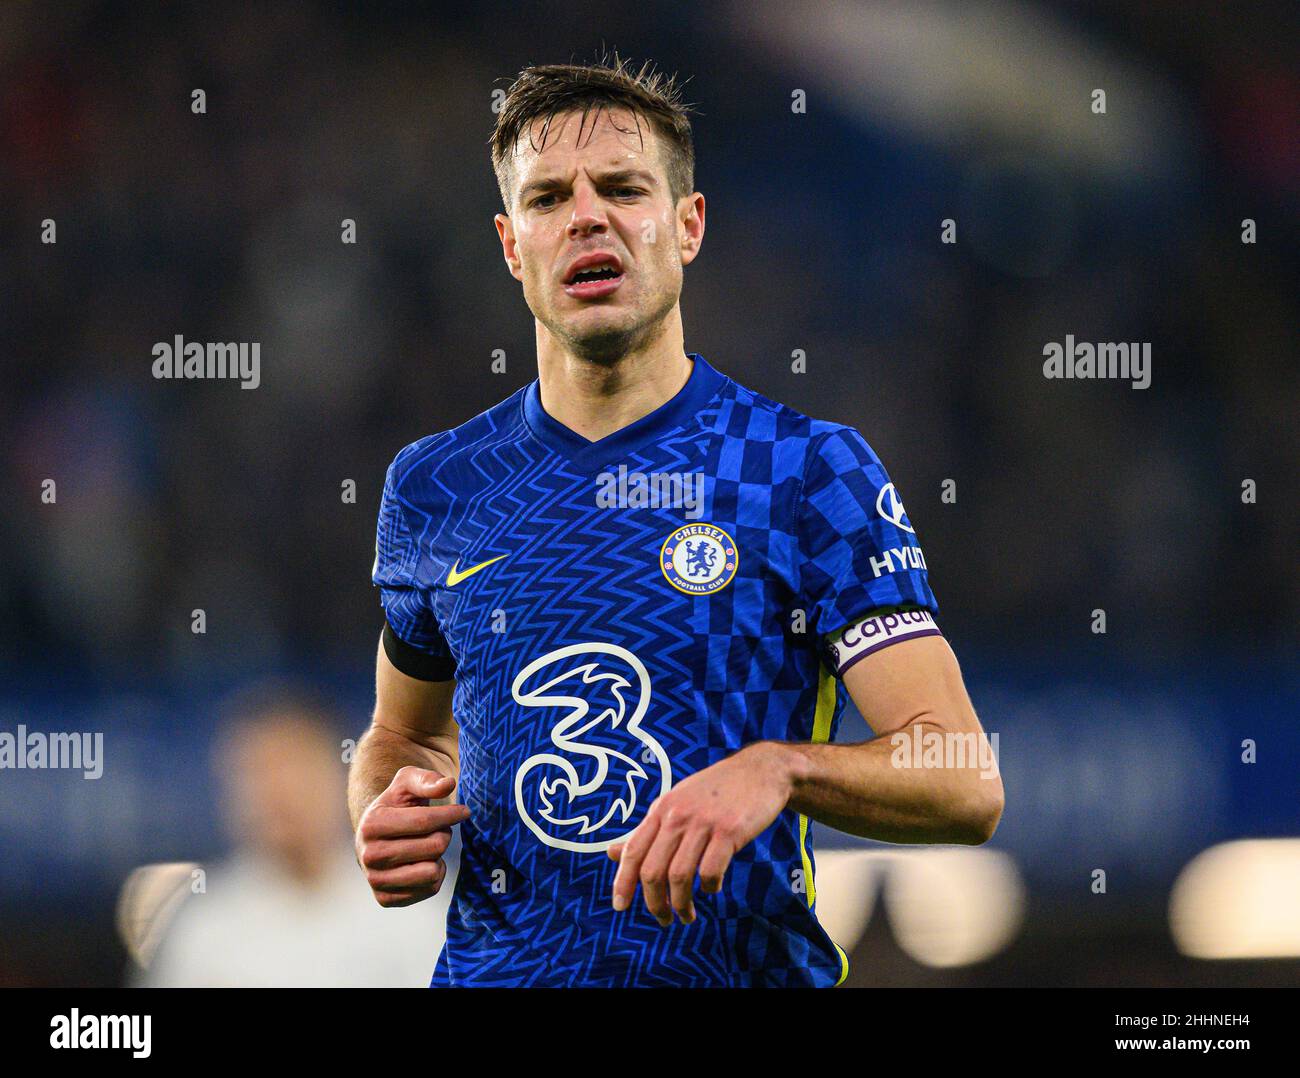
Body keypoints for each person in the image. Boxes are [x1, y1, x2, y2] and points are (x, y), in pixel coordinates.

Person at [348, 54, 1002, 988]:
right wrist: (382, 810)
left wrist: (782, 769)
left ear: (687, 226)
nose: (587, 216)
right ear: (510, 243)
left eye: (623, 187)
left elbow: (964, 780)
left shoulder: (804, 470)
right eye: (547, 200)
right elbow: (401, 736)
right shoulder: (436, 486)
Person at [141, 688, 453, 987]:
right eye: (257, 774)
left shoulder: (422, 904)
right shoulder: (204, 930)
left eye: (295, 766)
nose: (279, 793)